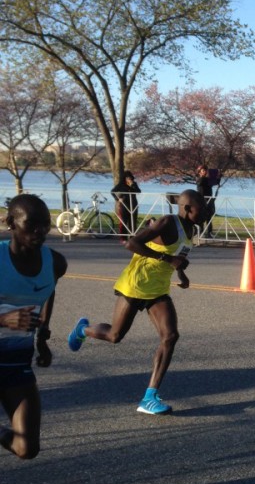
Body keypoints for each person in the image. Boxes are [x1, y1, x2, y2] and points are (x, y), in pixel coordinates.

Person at [67, 189, 206, 415]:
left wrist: (182, 274)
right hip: (136, 284)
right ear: (188, 208)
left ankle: (149, 397)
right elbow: (132, 243)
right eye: (202, 207)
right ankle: (83, 329)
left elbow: (178, 257)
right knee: (115, 336)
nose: (206, 211)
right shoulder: (167, 222)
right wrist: (167, 258)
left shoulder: (191, 229)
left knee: (170, 336)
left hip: (158, 289)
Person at [0, 195, 67, 460]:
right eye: (33, 224)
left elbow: (48, 291)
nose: (41, 231)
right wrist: (3, 320)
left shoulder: (55, 263)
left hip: (16, 365)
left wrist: (42, 335)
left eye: (46, 224)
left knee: (27, 449)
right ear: (11, 223)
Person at [111, 170, 141, 237]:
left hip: (133, 204)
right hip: (124, 205)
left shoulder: (134, 184)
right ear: (124, 178)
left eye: (130, 178)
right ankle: (123, 237)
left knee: (133, 222)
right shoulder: (121, 185)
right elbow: (112, 191)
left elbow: (138, 191)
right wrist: (118, 199)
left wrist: (133, 185)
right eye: (127, 178)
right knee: (124, 221)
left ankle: (132, 236)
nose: (129, 179)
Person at [196, 164, 214, 228]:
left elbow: (213, 183)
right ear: (199, 171)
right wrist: (203, 176)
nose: (205, 172)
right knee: (202, 216)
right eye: (203, 170)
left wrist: (218, 177)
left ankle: (209, 232)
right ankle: (201, 231)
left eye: (206, 170)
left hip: (209, 198)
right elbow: (200, 183)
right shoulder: (199, 179)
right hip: (202, 199)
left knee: (209, 216)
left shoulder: (207, 179)